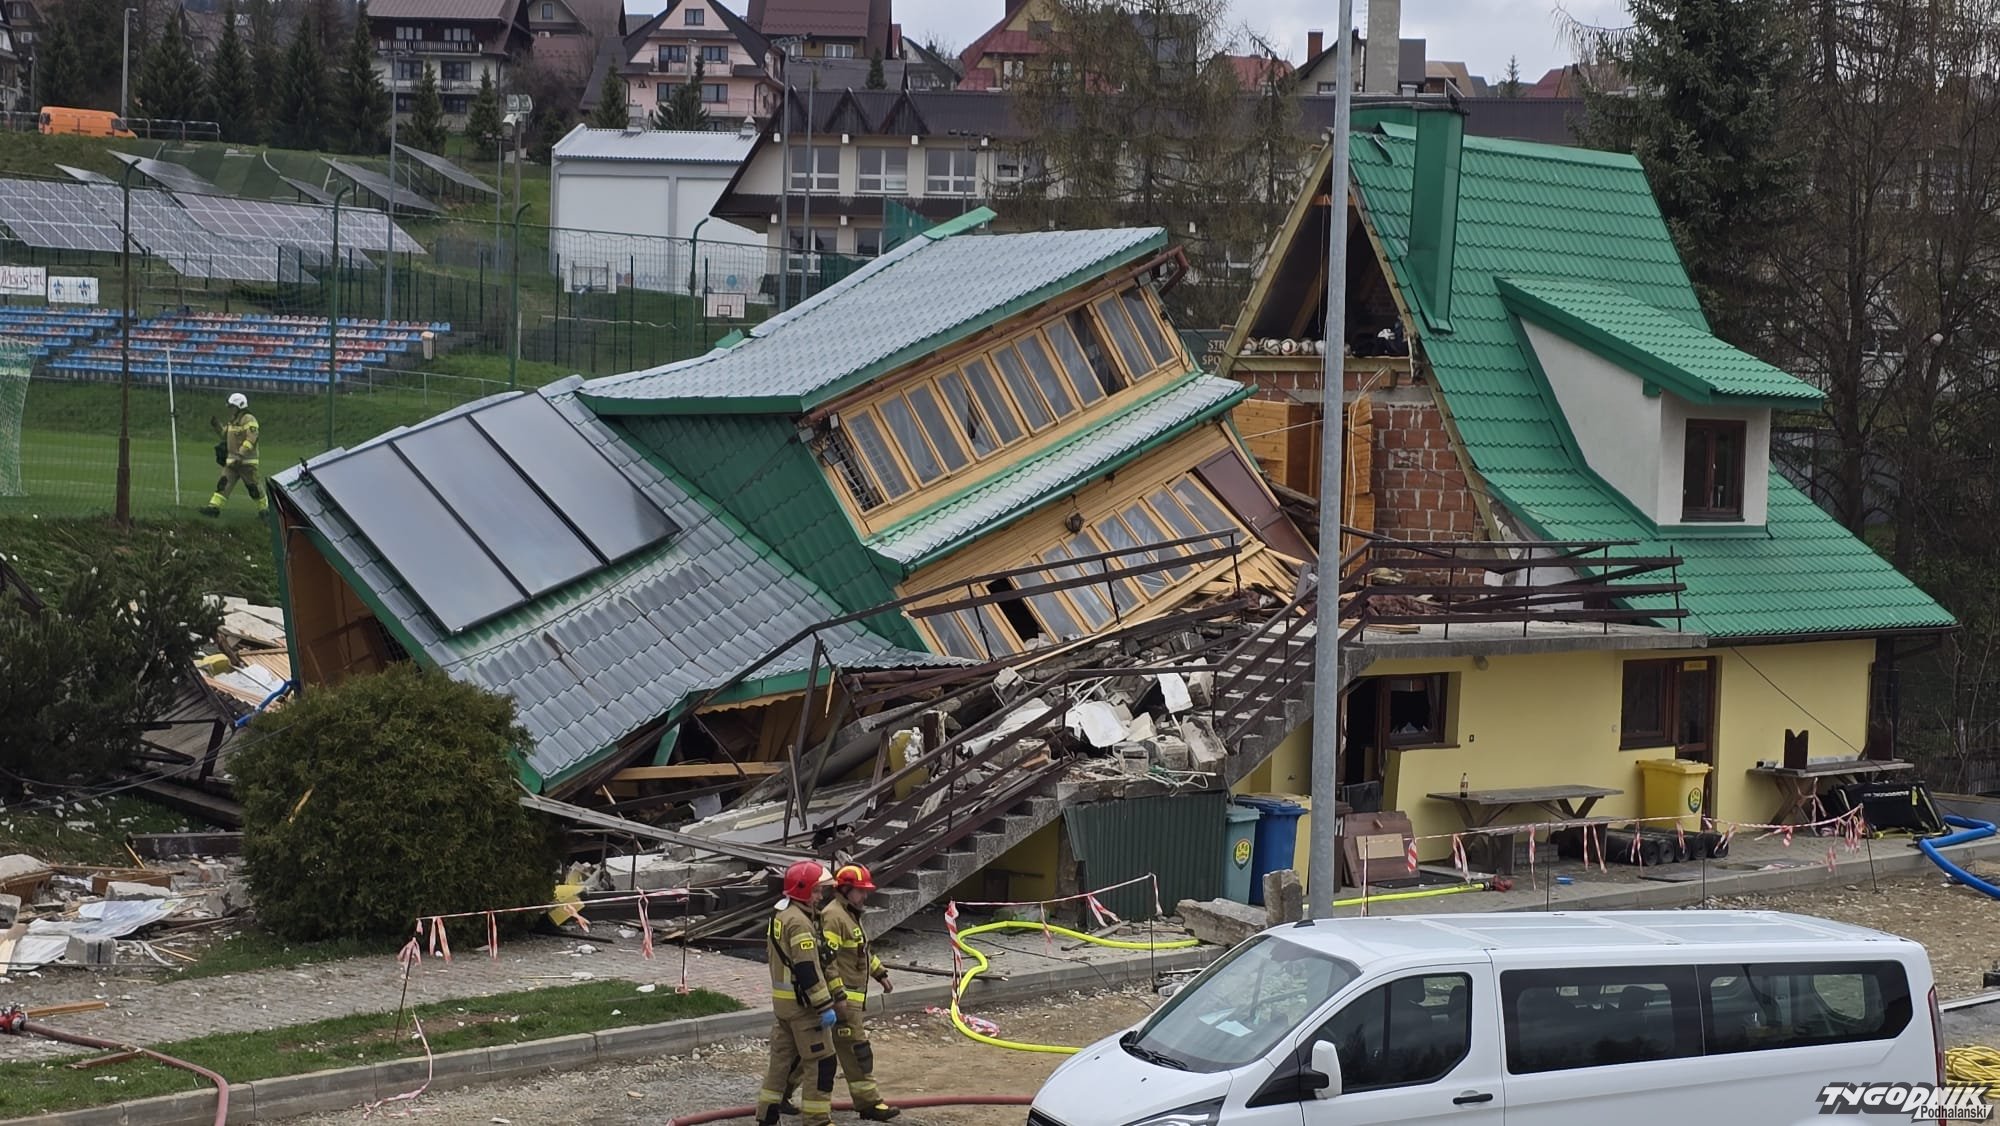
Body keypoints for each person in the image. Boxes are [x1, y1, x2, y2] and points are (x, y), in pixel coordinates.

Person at [759, 860, 838, 1126]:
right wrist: (824, 1006)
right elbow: (806, 969)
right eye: (816, 891)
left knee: (781, 1063)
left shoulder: (780, 915)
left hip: (783, 1007)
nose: (820, 897)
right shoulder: (799, 922)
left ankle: (767, 1115)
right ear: (802, 889)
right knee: (822, 1061)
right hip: (803, 1008)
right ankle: (817, 1120)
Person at [820, 864, 898, 1121]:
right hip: (842, 1001)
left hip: (847, 1000)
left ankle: (781, 1096)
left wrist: (880, 974)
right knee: (857, 1051)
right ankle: (869, 1103)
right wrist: (838, 996)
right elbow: (828, 961)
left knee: (814, 1050)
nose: (865, 896)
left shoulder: (849, 914)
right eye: (860, 891)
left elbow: (861, 952)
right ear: (844, 889)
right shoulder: (833, 916)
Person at [203, 392, 264, 517]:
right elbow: (225, 435)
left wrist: (240, 454)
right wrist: (217, 426)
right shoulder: (233, 421)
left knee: (253, 488)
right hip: (232, 462)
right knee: (223, 484)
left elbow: (251, 438)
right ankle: (213, 508)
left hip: (246, 462)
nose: (230, 409)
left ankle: (264, 511)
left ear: (239, 406)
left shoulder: (249, 419)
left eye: (232, 407)